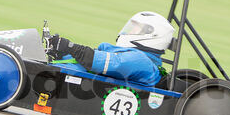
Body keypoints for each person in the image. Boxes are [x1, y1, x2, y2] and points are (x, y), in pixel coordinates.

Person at [45, 11, 174, 86]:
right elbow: (94, 57)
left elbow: (105, 63)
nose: (129, 31)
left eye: (136, 29)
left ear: (152, 36)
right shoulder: (132, 55)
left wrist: (71, 47)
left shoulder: (142, 61)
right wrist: (62, 55)